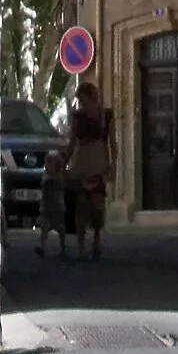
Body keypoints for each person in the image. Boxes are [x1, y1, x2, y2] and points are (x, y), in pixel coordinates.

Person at [64, 80, 115, 262]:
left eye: (83, 99)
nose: (81, 103)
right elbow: (72, 142)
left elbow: (112, 143)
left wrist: (112, 165)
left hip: (97, 162)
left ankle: (97, 239)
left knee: (98, 205)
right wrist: (64, 162)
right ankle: (81, 244)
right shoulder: (78, 116)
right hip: (82, 162)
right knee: (81, 206)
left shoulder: (106, 115)